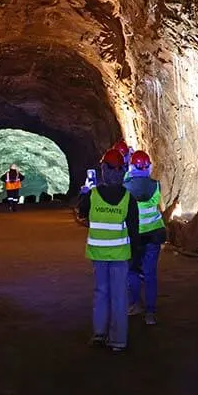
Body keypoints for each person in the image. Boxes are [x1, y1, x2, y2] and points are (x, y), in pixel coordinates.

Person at [78, 149, 139, 352]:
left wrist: (84, 193)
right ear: (123, 171)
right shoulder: (128, 199)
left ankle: (99, 333)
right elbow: (134, 230)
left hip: (98, 253)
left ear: (103, 170)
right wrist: (136, 257)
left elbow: (82, 213)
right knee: (120, 295)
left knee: (101, 292)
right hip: (120, 254)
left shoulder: (92, 196)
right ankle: (118, 340)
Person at [125, 150, 165, 325]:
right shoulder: (156, 185)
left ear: (132, 166)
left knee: (132, 271)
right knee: (150, 274)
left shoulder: (125, 187)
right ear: (148, 167)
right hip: (154, 234)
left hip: (134, 236)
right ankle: (150, 313)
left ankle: (135, 304)